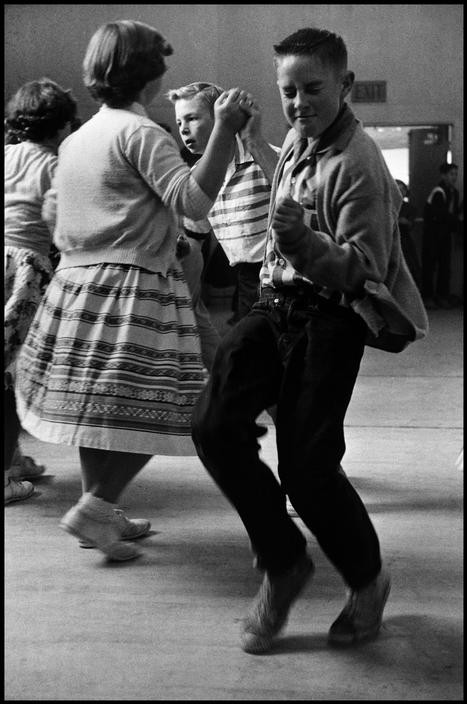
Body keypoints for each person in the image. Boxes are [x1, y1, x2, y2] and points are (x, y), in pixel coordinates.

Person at [191, 26, 428, 654]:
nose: (299, 103)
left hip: (331, 316)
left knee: (307, 469)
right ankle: (284, 560)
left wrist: (300, 241)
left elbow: (363, 270)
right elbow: (288, 188)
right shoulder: (300, 135)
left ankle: (368, 581)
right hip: (274, 304)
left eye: (312, 89)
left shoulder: (360, 163)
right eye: (288, 92)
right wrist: (248, 140)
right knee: (213, 425)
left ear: (345, 85)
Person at [15, 19, 249, 561]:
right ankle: (96, 506)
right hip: (131, 288)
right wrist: (224, 131)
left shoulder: (76, 139)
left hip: (77, 286)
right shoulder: (140, 133)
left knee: (100, 409)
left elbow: (55, 216)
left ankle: (103, 512)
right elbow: (192, 201)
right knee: (165, 405)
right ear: (148, 75)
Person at [4, 78, 78, 504]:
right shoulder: (53, 165)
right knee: (17, 374)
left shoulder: (7, 154)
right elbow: (64, 225)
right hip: (25, 272)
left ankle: (12, 457)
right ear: (61, 127)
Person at [167, 81, 280, 325]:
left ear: (221, 119)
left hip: (281, 275)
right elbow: (194, 242)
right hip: (245, 279)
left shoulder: (264, 155)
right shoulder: (198, 176)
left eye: (192, 119)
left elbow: (293, 199)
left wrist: (255, 143)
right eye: (179, 123)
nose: (184, 130)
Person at [422, 162, 460, 309]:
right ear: (443, 176)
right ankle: (427, 296)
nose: (454, 177)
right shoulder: (438, 192)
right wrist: (454, 219)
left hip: (445, 236)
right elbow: (439, 214)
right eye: (451, 174)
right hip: (432, 235)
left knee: (445, 266)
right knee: (430, 266)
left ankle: (442, 295)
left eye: (456, 174)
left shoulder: (454, 193)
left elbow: (453, 214)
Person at [395, 179, 422, 291]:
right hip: (390, 241)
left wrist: (405, 222)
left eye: (402, 189)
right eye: (397, 189)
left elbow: (411, 224)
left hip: (405, 241)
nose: (400, 191)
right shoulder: (387, 206)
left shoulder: (410, 207)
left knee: (411, 268)